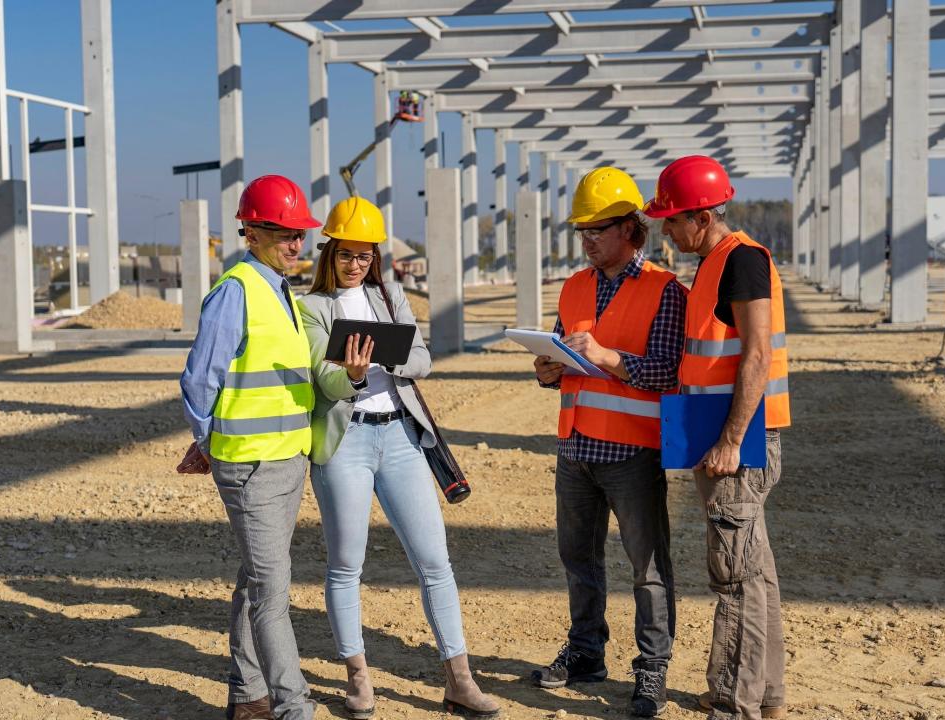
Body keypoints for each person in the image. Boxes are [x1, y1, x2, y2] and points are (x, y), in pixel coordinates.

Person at [296, 196, 500, 720]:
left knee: (435, 562)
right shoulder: (313, 307)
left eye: (365, 256)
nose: (356, 264)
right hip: (347, 444)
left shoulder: (391, 298)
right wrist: (357, 375)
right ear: (329, 252)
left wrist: (386, 356)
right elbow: (326, 379)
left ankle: (459, 677)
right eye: (347, 255)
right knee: (346, 566)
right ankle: (358, 677)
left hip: (401, 440)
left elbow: (424, 361)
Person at [531, 167, 686, 717]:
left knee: (647, 568)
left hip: (632, 453)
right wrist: (549, 371)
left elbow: (669, 372)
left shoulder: (666, 291)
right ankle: (586, 653)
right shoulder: (573, 286)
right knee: (578, 559)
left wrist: (608, 359)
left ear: (631, 229)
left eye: (598, 228)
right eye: (582, 230)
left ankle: (651, 671)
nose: (588, 238)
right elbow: (566, 360)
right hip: (576, 448)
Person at [643, 155, 790, 720]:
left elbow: (755, 354)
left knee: (734, 576)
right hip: (718, 437)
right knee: (755, 572)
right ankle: (766, 693)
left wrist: (730, 440)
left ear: (701, 216)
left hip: (736, 443)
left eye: (672, 220)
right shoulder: (712, 263)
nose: (665, 230)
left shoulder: (742, 261)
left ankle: (734, 700)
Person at [177, 174, 322, 720]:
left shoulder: (281, 289)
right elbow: (198, 381)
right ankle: (293, 706)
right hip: (251, 465)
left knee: (256, 578)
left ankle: (248, 695)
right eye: (285, 234)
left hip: (288, 458)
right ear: (253, 231)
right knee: (271, 591)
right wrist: (208, 442)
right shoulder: (235, 291)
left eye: (299, 234)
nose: (296, 244)